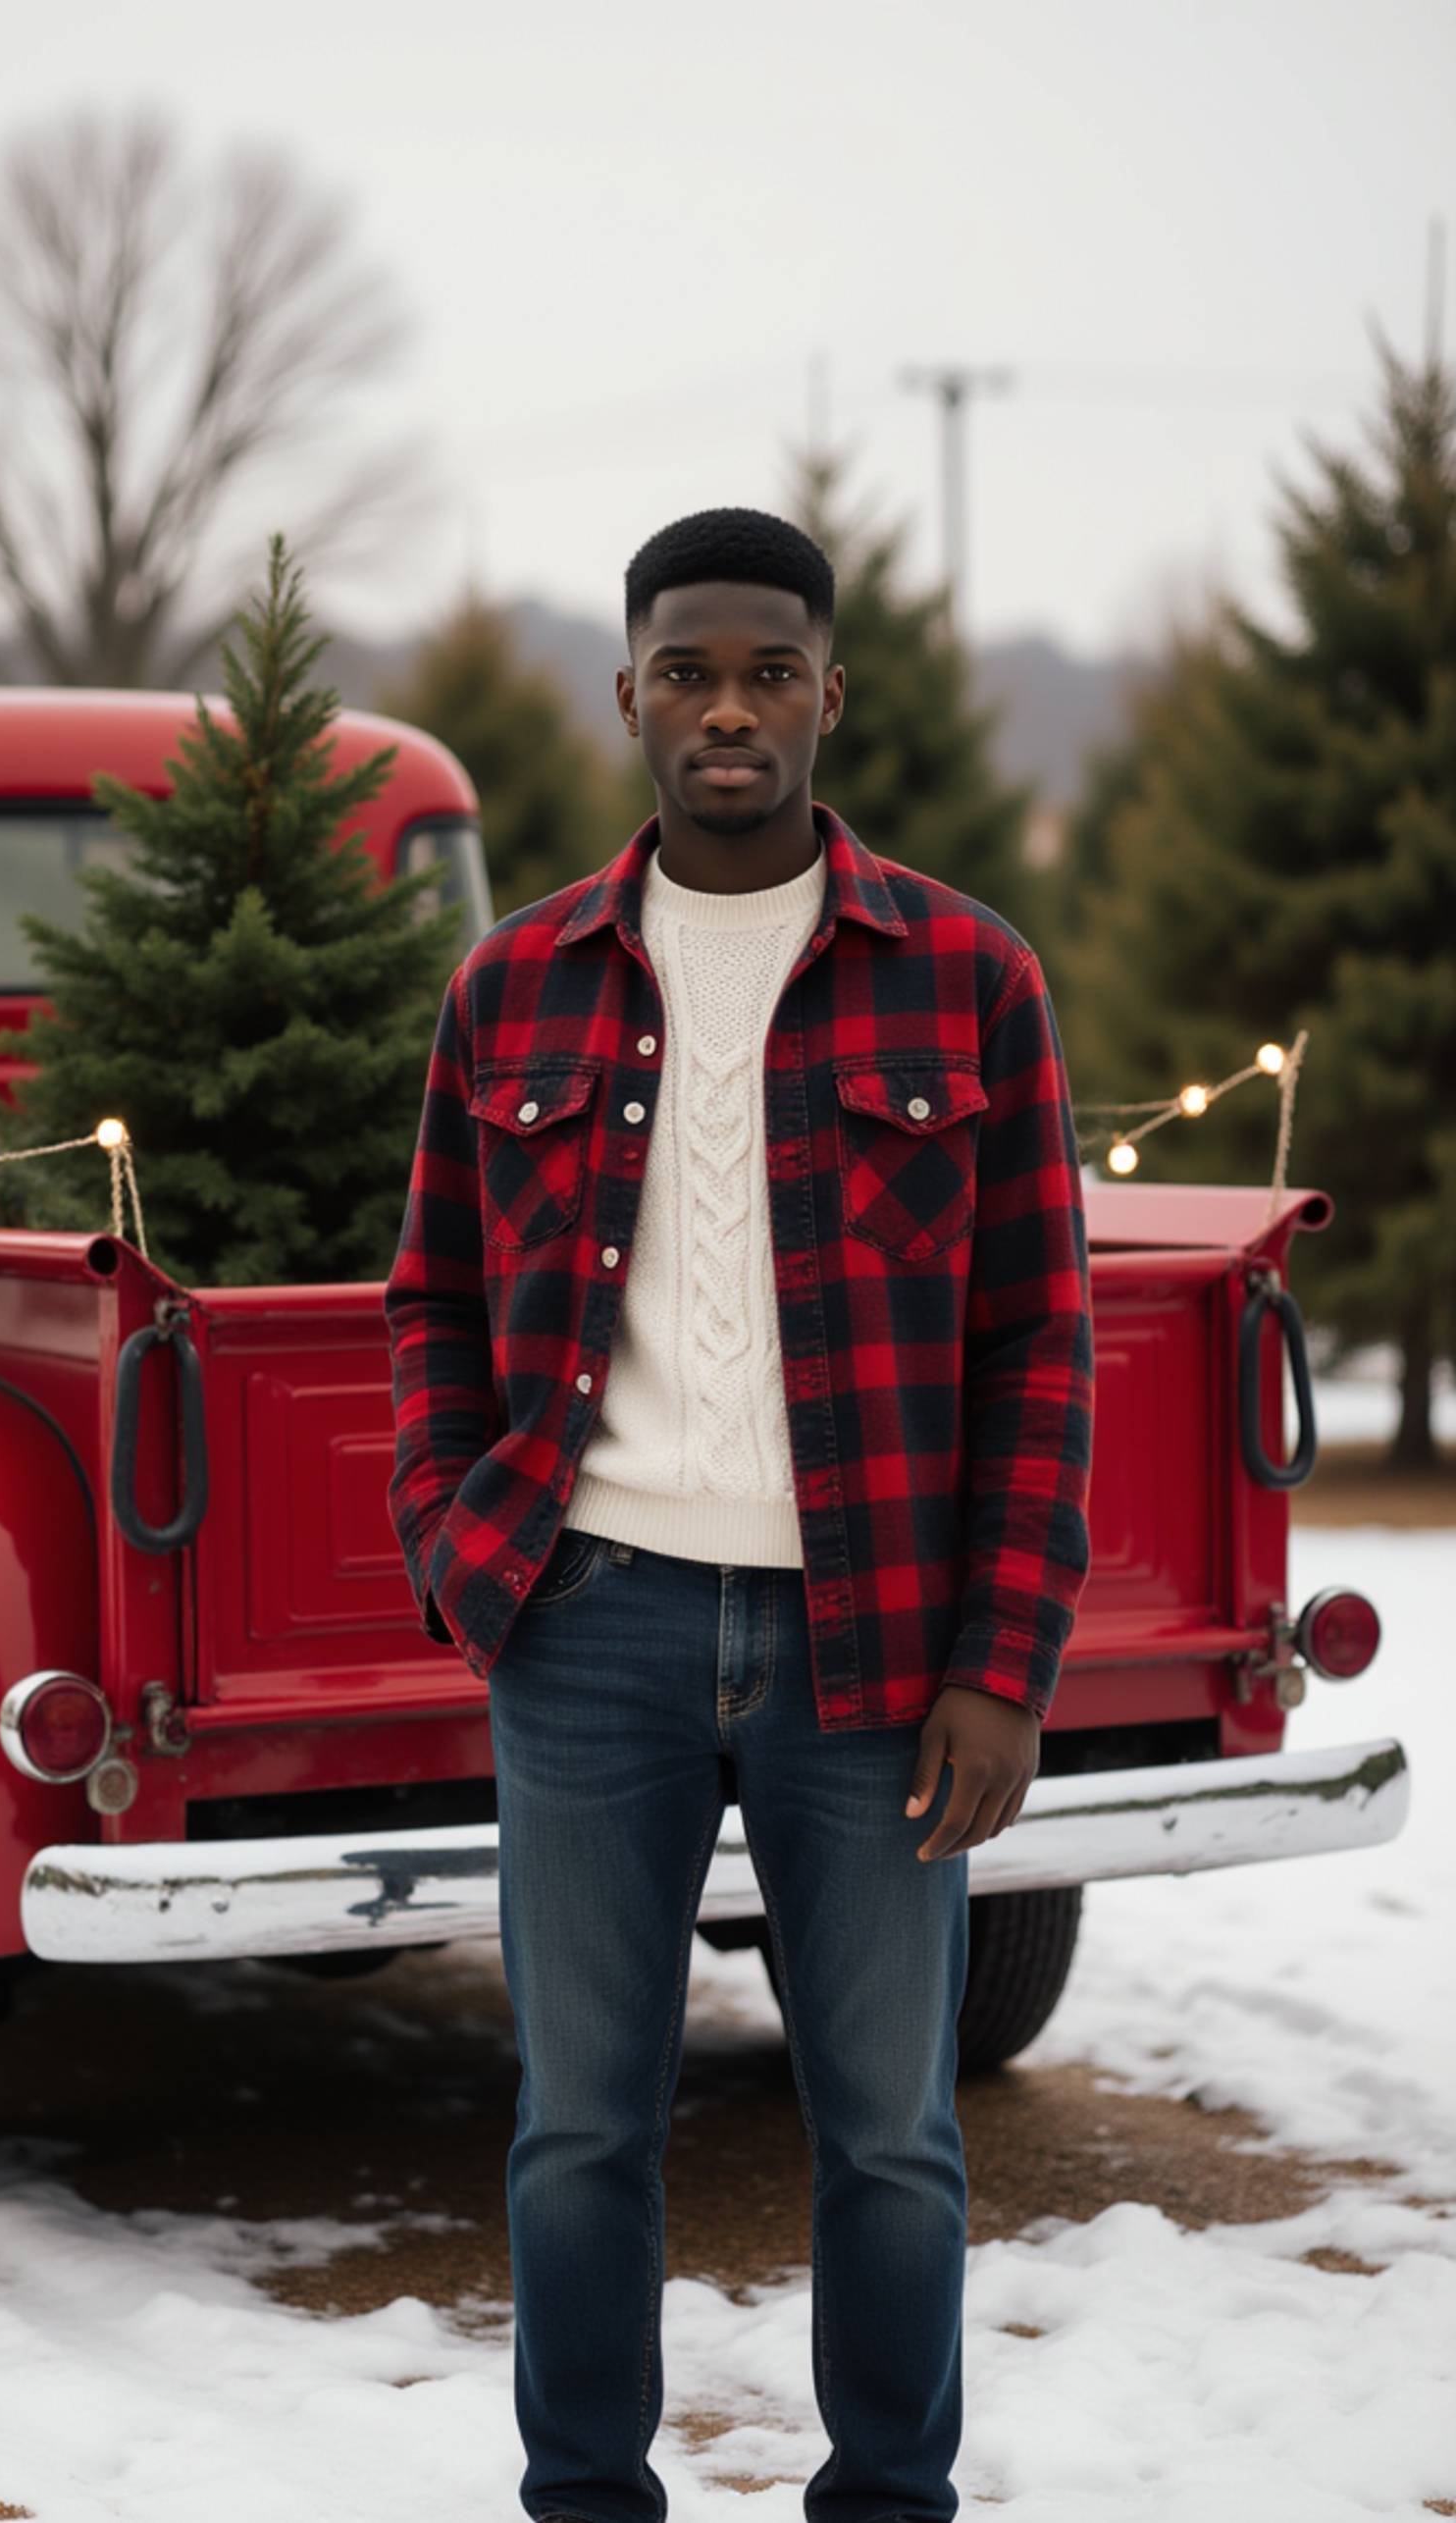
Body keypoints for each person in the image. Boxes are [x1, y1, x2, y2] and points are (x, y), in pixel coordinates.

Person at [383, 505, 1094, 2523]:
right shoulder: (510, 986)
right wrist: (462, 1541)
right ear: (625, 691)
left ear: (825, 696)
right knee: (578, 2128)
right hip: (584, 1628)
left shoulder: (968, 977)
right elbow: (427, 1297)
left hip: (869, 1651)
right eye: (684, 668)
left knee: (886, 2132)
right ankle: (585, 2501)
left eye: (766, 669)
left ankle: (888, 2501)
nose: (724, 706)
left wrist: (999, 1663)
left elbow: (1044, 1336)